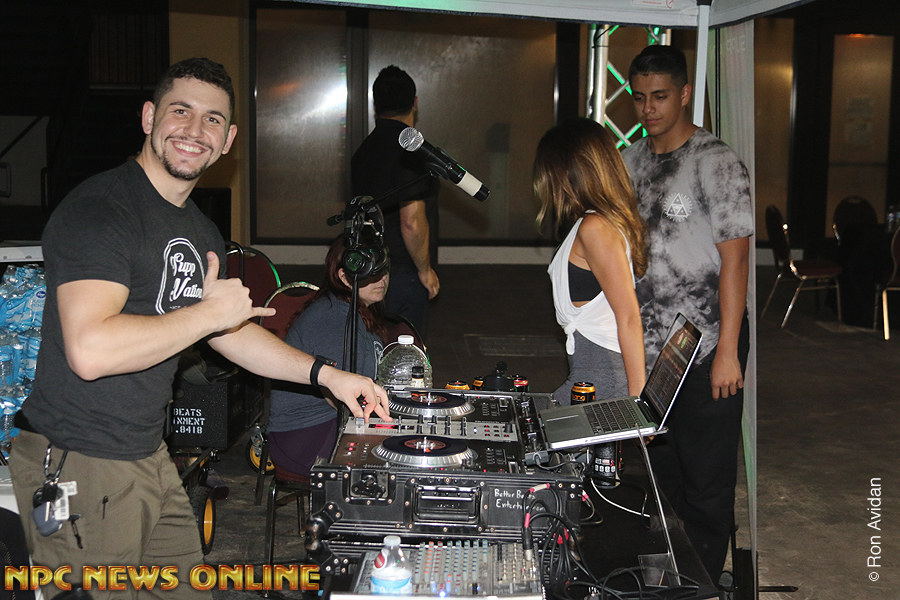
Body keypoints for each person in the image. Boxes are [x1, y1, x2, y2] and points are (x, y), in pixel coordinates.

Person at [8, 57, 390, 599]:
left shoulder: (197, 229)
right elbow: (91, 350)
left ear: (228, 140)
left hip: (148, 454)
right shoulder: (101, 210)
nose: (194, 130)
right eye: (180, 111)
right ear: (149, 117)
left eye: (212, 119)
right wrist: (209, 315)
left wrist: (327, 375)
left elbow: (227, 332)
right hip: (82, 459)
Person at [622, 44, 753, 582]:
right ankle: (664, 582)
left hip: (706, 349)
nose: (648, 108)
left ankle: (699, 586)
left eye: (659, 96)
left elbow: (737, 261)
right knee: (658, 478)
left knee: (706, 484)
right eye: (639, 98)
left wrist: (728, 350)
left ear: (684, 94)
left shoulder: (715, 162)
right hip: (651, 356)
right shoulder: (629, 162)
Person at [533, 117, 647, 404]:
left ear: (568, 172)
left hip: (604, 380)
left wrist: (637, 401)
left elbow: (629, 317)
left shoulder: (595, 227)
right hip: (592, 376)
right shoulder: (590, 223)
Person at [267, 234, 389, 479]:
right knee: (396, 460)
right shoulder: (334, 320)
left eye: (383, 270)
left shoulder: (354, 310)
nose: (382, 279)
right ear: (344, 277)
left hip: (325, 424)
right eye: (371, 273)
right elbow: (343, 403)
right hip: (303, 436)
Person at [351, 65, 440, 338]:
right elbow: (411, 220)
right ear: (415, 103)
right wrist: (424, 270)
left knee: (373, 345)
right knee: (406, 353)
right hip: (403, 272)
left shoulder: (363, 152)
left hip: (368, 268)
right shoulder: (411, 151)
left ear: (375, 105)